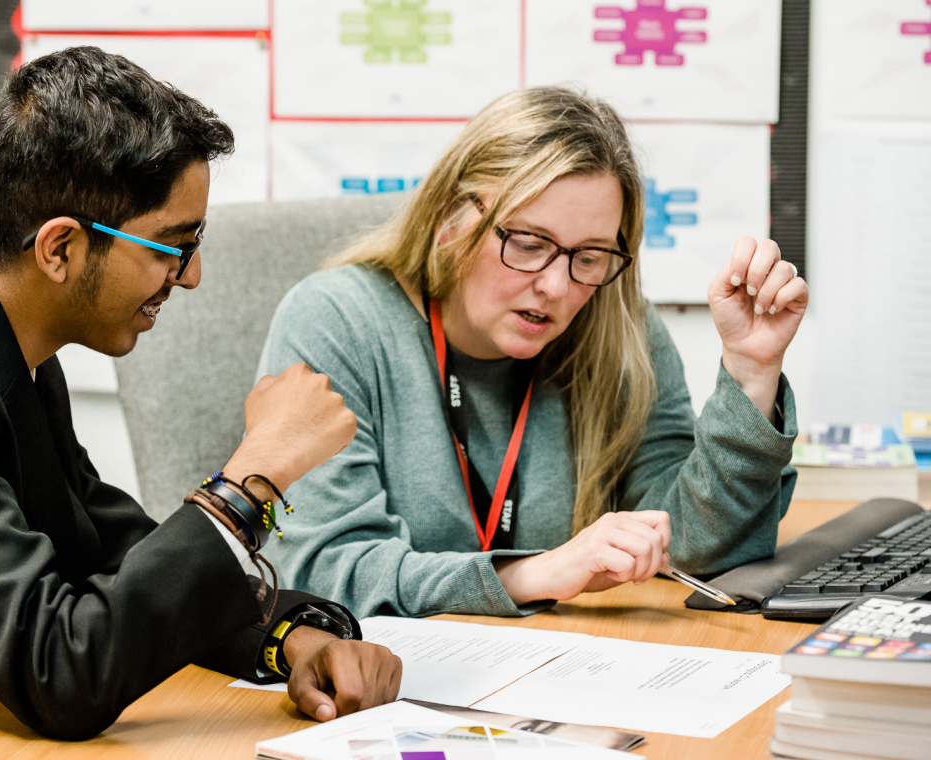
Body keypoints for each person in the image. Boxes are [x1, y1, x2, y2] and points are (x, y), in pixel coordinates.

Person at [0, 47, 400, 739]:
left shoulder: (8, 338)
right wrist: (251, 480)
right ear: (60, 249)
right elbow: (61, 668)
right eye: (173, 245)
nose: (191, 275)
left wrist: (290, 636)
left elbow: (105, 551)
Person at [257, 86, 809, 619]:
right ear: (453, 217)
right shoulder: (337, 320)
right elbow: (325, 570)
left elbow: (689, 543)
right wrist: (531, 575)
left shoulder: (616, 325)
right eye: (528, 244)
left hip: (555, 674)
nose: (556, 286)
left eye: (589, 256)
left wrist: (751, 372)